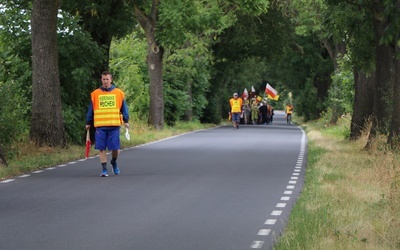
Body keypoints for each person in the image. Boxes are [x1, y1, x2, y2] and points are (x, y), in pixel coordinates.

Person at [86, 71, 130, 177]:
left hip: (114, 125)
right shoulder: (95, 94)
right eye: (103, 79)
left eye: (107, 79)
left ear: (111, 80)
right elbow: (90, 110)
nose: (105, 81)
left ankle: (114, 162)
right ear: (101, 80)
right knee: (101, 148)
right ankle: (104, 170)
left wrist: (126, 120)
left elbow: (124, 108)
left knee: (115, 148)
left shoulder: (118, 93)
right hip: (100, 126)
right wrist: (88, 122)